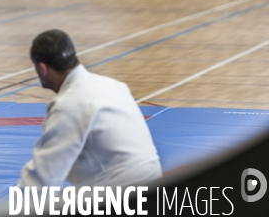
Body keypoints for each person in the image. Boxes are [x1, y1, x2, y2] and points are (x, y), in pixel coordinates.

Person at [17, 29, 162, 188]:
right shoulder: (115, 86)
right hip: (154, 189)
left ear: (42, 68)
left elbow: (43, 179)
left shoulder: (69, 104)